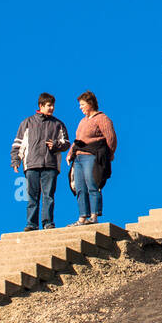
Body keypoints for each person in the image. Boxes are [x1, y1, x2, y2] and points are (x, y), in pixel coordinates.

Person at [11, 93, 70, 231]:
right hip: (31, 164)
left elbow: (66, 143)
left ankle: (48, 223)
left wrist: (56, 145)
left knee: (48, 196)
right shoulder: (27, 123)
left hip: (50, 164)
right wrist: (15, 160)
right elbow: (18, 143)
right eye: (49, 105)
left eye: (53, 105)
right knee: (32, 196)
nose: (52, 108)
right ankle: (32, 224)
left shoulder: (58, 124)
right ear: (41, 106)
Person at [66, 90, 117, 226]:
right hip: (78, 157)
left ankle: (94, 216)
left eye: (82, 104)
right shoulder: (82, 121)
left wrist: (109, 155)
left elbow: (110, 137)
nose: (80, 107)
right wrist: (70, 153)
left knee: (92, 185)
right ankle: (82, 217)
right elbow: (78, 139)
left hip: (92, 156)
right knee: (80, 187)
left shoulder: (102, 118)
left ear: (90, 104)